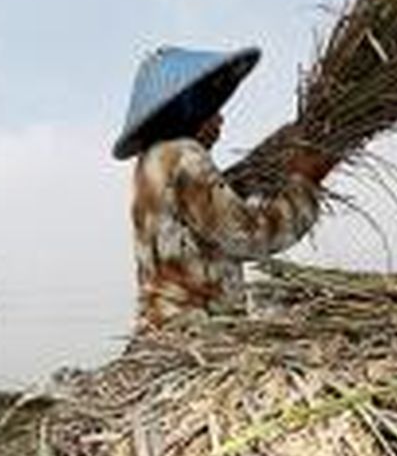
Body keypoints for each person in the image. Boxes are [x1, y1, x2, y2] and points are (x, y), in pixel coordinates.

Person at [112, 46, 336, 329]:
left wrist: (276, 149)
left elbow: (222, 195)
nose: (220, 119)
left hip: (163, 329)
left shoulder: (155, 161)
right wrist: (305, 184)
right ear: (187, 107)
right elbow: (247, 235)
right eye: (210, 107)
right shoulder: (185, 156)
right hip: (195, 331)